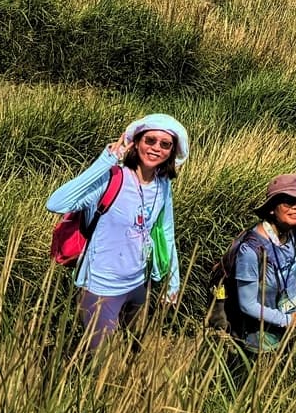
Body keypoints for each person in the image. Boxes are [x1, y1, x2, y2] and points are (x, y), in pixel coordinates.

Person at [45, 113, 189, 342]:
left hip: (140, 284)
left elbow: (167, 233)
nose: (156, 148)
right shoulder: (112, 178)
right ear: (137, 142)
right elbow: (55, 203)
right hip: (101, 287)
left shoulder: (163, 186)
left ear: (172, 151)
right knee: (99, 363)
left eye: (165, 144)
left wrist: (173, 283)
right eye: (149, 140)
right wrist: (106, 160)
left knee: (133, 349)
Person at [227, 173, 296, 355]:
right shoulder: (250, 251)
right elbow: (247, 304)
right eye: (287, 202)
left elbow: (290, 278)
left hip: (289, 327)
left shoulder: (292, 233)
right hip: (259, 341)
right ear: (271, 209)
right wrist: (286, 320)